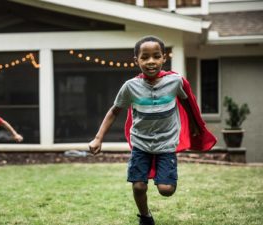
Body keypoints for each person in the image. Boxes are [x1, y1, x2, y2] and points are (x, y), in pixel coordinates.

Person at [88, 36, 216, 225]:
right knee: (139, 186)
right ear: (136, 60)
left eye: (156, 56)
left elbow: (186, 101)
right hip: (141, 143)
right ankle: (145, 217)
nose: (151, 62)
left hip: (166, 144)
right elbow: (114, 111)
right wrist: (98, 138)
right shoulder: (130, 86)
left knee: (166, 189)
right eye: (145, 57)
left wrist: (194, 124)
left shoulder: (174, 82)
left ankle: (162, 173)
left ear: (164, 58)